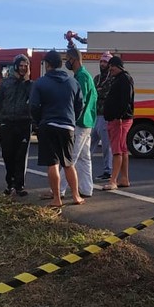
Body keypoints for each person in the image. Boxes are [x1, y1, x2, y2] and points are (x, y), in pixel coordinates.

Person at [29, 49, 83, 212]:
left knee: (52, 163)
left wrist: (39, 121)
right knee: (68, 163)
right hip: (67, 126)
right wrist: (71, 120)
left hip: (48, 125)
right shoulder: (73, 82)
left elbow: (33, 106)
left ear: (47, 64)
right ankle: (76, 196)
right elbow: (79, 105)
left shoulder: (40, 83)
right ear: (61, 64)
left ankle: (57, 199)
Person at [53, 45, 97, 199]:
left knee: (70, 157)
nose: (66, 62)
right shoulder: (84, 75)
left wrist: (72, 118)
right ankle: (86, 188)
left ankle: (59, 190)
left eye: (68, 59)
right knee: (84, 158)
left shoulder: (82, 77)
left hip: (80, 122)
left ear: (74, 59)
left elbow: (80, 101)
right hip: (87, 121)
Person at [0, 55, 33, 197]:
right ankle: (10, 184)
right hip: (6, 123)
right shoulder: (6, 83)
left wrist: (27, 81)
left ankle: (19, 186)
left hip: (24, 123)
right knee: (8, 154)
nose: (23, 68)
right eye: (21, 65)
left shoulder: (31, 85)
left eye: (26, 66)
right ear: (15, 66)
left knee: (21, 156)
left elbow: (35, 102)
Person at [101, 55, 134, 191]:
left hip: (119, 120)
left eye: (112, 66)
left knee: (117, 151)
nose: (110, 69)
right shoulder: (120, 79)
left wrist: (118, 116)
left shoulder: (124, 79)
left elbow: (125, 100)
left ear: (119, 66)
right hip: (118, 119)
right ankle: (124, 178)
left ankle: (113, 180)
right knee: (123, 149)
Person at [92, 51, 114, 181]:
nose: (102, 64)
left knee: (106, 146)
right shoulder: (97, 78)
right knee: (89, 143)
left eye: (105, 62)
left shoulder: (112, 79)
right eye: (101, 61)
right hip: (95, 115)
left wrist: (99, 92)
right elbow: (93, 94)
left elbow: (107, 94)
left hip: (105, 116)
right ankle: (83, 168)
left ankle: (108, 170)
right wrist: (98, 92)